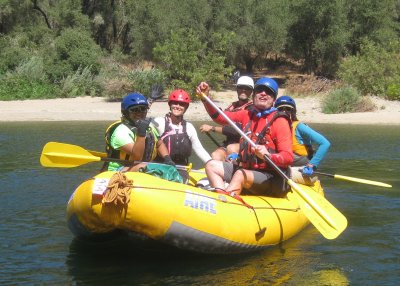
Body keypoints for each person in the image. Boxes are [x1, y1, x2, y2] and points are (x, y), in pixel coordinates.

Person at [196, 77, 294, 198]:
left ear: (273, 99)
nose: (263, 93)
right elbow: (220, 117)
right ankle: (221, 197)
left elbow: (288, 157)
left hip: (272, 177)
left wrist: (268, 155)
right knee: (211, 165)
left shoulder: (280, 121)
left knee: (240, 174)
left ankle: (226, 202)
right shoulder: (247, 114)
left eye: (268, 92)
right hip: (247, 169)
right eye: (260, 90)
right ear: (254, 96)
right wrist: (205, 98)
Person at [104, 92, 175, 172]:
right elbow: (137, 157)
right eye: (134, 110)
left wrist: (167, 158)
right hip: (120, 169)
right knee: (148, 167)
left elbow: (159, 144)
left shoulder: (150, 127)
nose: (139, 113)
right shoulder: (120, 132)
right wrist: (141, 133)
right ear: (126, 112)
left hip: (141, 166)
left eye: (143, 109)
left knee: (159, 167)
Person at [153, 89, 212, 182]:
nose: (177, 106)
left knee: (179, 180)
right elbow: (141, 120)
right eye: (175, 103)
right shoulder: (160, 122)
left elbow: (199, 150)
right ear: (170, 105)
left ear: (186, 107)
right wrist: (150, 101)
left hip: (181, 168)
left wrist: (212, 164)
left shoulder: (189, 127)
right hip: (161, 165)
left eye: (181, 104)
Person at [199, 75, 254, 161]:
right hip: (229, 144)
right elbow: (218, 116)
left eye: (247, 88)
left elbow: (236, 131)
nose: (243, 90)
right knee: (215, 155)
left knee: (231, 150)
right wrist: (205, 97)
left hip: (243, 146)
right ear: (237, 89)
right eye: (241, 87)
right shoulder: (233, 106)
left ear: (251, 91)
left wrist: (212, 128)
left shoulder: (251, 109)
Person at [274, 95, 331, 176]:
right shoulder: (274, 126)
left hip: (301, 164)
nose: (284, 112)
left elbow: (325, 143)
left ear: (293, 112)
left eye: (288, 109)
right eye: (280, 109)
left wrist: (312, 165)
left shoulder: (300, 127)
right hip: (284, 162)